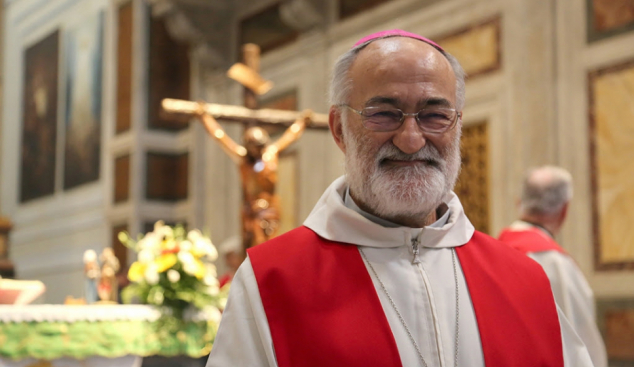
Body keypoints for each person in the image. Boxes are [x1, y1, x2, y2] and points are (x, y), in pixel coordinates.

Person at [206, 30, 593, 367]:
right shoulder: (272, 282)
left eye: (434, 115)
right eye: (384, 114)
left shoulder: (525, 280)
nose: (411, 138)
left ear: (456, 125)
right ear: (340, 129)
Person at [498, 165, 607, 367]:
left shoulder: (493, 252)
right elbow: (580, 342)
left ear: (519, 203)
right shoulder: (554, 263)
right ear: (564, 210)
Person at [195, 105, 314, 250]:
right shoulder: (243, 159)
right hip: (252, 210)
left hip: (271, 208)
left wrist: (301, 122)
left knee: (272, 244)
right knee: (255, 246)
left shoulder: (270, 154)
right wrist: (205, 118)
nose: (256, 150)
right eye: (252, 147)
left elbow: (290, 136)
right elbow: (220, 136)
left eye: (259, 146)